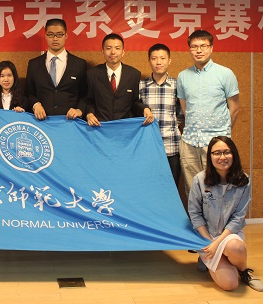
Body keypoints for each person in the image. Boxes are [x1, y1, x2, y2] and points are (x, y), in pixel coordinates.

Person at [188, 136, 263, 292]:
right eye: (217, 153)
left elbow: (238, 217)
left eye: (226, 152)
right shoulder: (199, 180)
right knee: (230, 284)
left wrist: (217, 244)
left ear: (233, 154)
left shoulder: (244, 181)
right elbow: (194, 214)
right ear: (210, 156)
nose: (222, 157)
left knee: (236, 247)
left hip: (229, 235)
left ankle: (244, 272)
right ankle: (210, 259)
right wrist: (209, 243)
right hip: (206, 236)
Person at [177, 30, 239, 195]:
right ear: (189, 49)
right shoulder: (183, 76)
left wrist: (223, 136)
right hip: (189, 142)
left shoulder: (225, 74)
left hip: (215, 143)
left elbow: (234, 109)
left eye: (203, 46)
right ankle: (197, 214)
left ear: (211, 48)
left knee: (218, 189)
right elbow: (185, 109)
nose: (199, 50)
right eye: (194, 46)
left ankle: (217, 215)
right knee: (193, 190)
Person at [85, 33, 153, 126]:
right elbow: (89, 101)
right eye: (108, 48)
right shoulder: (92, 74)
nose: (113, 52)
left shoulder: (133, 74)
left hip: (125, 127)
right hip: (100, 126)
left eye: (117, 48)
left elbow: (134, 102)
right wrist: (89, 114)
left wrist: (144, 109)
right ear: (102, 51)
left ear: (123, 52)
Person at [25, 18, 87, 120]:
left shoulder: (79, 64)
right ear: (45, 36)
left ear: (66, 35)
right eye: (50, 35)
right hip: (42, 122)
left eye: (59, 35)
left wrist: (79, 110)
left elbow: (85, 95)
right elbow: (29, 93)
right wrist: (36, 104)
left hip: (70, 122)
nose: (55, 38)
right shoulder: (34, 64)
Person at [139, 43, 183, 184]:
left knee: (172, 188)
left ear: (169, 61)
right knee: (148, 187)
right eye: (154, 58)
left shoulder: (177, 85)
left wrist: (173, 125)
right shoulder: (141, 86)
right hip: (147, 147)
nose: (158, 62)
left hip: (172, 146)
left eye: (163, 58)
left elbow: (181, 112)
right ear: (149, 61)